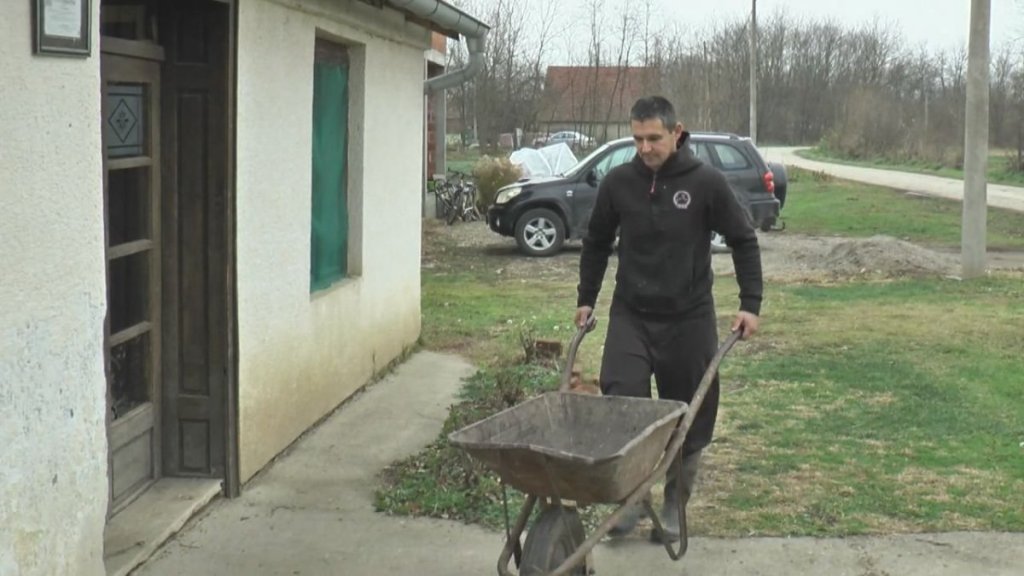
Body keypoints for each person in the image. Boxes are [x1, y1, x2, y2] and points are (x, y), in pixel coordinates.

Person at [574, 96, 763, 543]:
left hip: (688, 317)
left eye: (654, 138)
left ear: (677, 133)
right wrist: (586, 298)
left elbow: (743, 239)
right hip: (631, 315)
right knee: (623, 405)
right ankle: (631, 502)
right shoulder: (619, 183)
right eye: (637, 138)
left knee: (689, 414)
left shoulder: (706, 182)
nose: (644, 148)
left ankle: (675, 505)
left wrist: (750, 303)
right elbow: (596, 242)